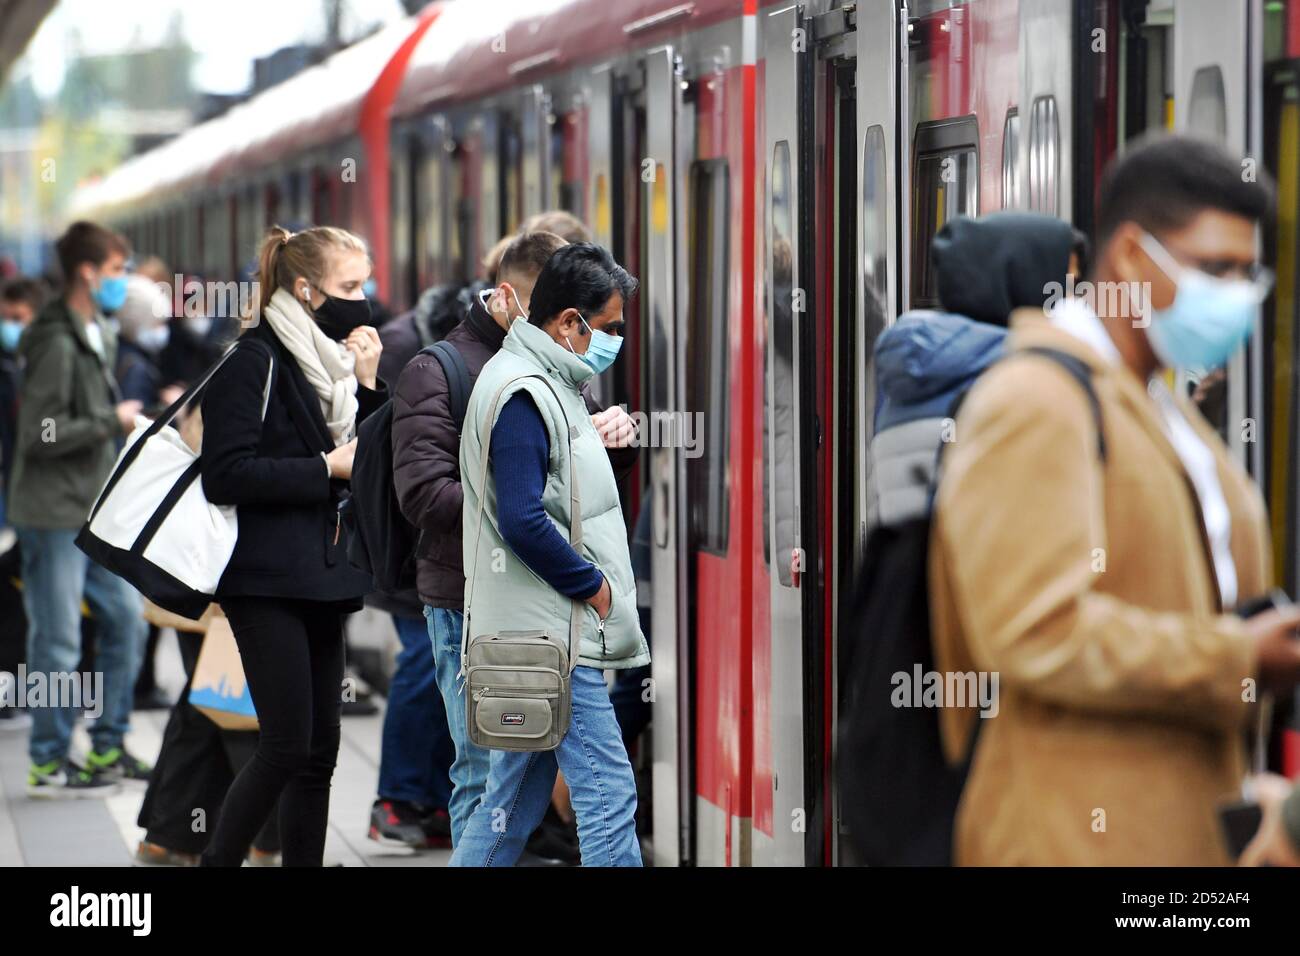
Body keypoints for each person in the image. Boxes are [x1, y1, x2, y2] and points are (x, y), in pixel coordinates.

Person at [928, 133, 1300, 865]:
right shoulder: (1035, 399)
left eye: (1247, 273)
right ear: (1132, 257)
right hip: (1073, 838)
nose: (1237, 296)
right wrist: (1236, 656)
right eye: (1215, 269)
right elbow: (1037, 631)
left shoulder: (1159, 401)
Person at [393, 230, 638, 858]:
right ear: (568, 322)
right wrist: (594, 586)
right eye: (607, 325)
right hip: (548, 632)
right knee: (608, 794)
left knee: (515, 797)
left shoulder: (552, 378)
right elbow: (523, 518)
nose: (615, 339)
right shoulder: (526, 392)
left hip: (543, 625)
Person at [197, 225, 388, 866]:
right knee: (284, 743)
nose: (363, 301)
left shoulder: (333, 364)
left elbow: (367, 460)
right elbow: (226, 474)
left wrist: (367, 384)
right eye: (350, 287)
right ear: (305, 289)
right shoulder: (251, 362)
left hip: (323, 575)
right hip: (265, 579)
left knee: (320, 750)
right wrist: (323, 471)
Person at [9, 222, 150, 797]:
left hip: (92, 509)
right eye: (117, 270)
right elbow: (38, 433)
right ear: (88, 273)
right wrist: (108, 424)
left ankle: (109, 743)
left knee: (125, 620)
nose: (123, 281)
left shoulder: (97, 330)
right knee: (58, 639)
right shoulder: (57, 342)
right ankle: (47, 756)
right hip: (51, 513)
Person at [0, 277, 43, 527]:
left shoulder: (51, 360)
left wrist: (48, 441)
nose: (9, 326)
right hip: (14, 483)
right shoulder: (7, 365)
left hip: (46, 489)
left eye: (17, 318)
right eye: (5, 317)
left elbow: (52, 424)